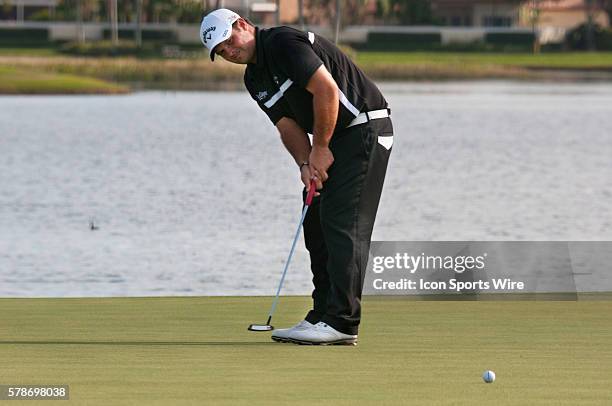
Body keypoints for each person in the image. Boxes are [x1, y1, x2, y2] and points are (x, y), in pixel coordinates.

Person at [200, 9, 393, 345]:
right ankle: (322, 315)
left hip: (364, 127)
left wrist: (320, 148)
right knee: (315, 220)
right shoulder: (253, 77)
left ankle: (343, 322)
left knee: (340, 222)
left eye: (229, 40)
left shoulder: (283, 42)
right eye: (221, 51)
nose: (229, 51)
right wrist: (306, 164)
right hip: (333, 140)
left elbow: (327, 92)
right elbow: (286, 125)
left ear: (243, 24)